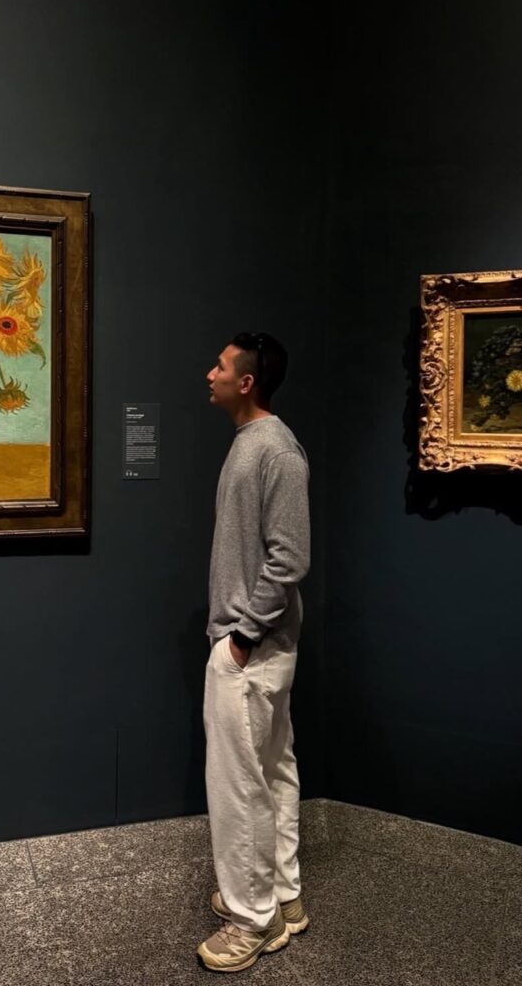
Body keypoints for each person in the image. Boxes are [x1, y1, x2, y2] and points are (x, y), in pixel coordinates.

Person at [196, 332, 311, 973]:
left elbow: (289, 556)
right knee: (271, 771)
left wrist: (242, 636)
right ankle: (283, 898)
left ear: (246, 382)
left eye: (219, 365)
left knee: (239, 785)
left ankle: (251, 920)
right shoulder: (253, 444)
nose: (207, 372)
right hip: (261, 645)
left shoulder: (275, 450)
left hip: (253, 647)